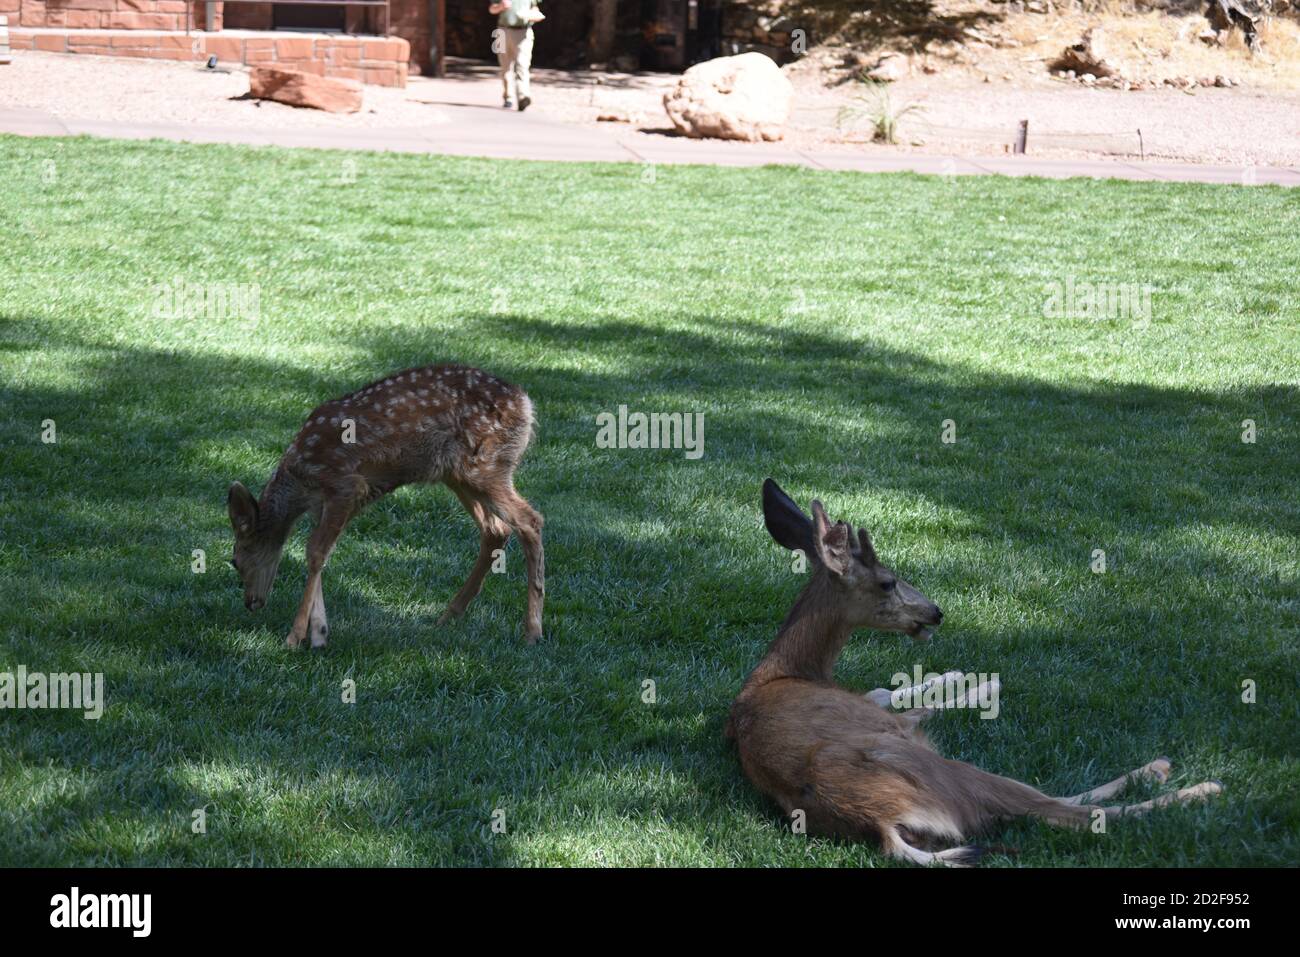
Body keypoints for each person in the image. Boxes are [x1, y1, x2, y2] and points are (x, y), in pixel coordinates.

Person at [489, 0, 542, 112]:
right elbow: (492, 9)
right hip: (502, 31)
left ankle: (523, 96)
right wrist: (500, 6)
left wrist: (534, 16)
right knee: (505, 65)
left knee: (522, 65)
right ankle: (508, 97)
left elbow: (535, 9)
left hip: (523, 32)